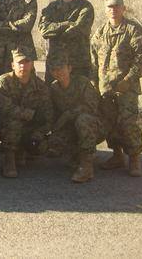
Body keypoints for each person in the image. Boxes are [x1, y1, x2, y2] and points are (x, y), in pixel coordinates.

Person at [91, 0, 142, 177]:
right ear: (105, 9)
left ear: (123, 8)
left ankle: (134, 159)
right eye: (110, 6)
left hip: (127, 89)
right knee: (110, 124)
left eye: (117, 6)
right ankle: (117, 156)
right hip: (105, 90)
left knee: (127, 123)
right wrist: (94, 84)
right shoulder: (100, 33)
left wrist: (128, 80)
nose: (113, 9)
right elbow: (92, 61)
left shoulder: (133, 30)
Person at [47, 47, 105, 183]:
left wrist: (69, 114)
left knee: (82, 120)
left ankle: (87, 167)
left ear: (69, 68)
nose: (58, 72)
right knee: (52, 142)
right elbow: (51, 113)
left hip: (94, 126)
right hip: (71, 128)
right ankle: (76, 155)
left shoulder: (82, 83)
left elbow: (91, 107)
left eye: (61, 68)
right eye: (54, 70)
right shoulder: (54, 88)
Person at [0, 48, 53, 178]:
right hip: (7, 126)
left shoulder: (40, 86)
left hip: (30, 128)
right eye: (19, 63)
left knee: (41, 146)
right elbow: (5, 108)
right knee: (14, 123)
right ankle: (9, 158)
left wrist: (40, 131)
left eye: (27, 62)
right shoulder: (4, 81)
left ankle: (22, 150)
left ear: (32, 65)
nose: (23, 66)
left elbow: (48, 114)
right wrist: (30, 114)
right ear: (12, 65)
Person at [39, 0, 94, 83]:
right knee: (52, 98)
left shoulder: (85, 7)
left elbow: (78, 30)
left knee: (81, 98)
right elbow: (44, 30)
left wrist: (55, 29)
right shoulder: (51, 8)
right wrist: (66, 24)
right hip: (55, 64)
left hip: (79, 64)